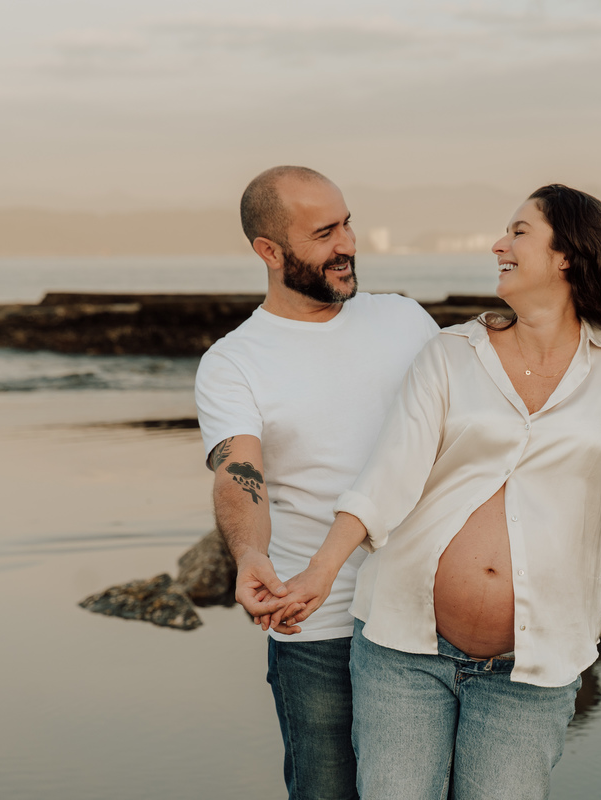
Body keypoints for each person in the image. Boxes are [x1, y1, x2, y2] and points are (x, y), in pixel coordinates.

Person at [270, 184, 601, 799]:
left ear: (567, 256)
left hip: (532, 670)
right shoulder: (451, 354)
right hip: (405, 650)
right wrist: (319, 572)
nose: (498, 244)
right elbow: (389, 476)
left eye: (519, 232)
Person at [194, 165, 442, 799]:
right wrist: (249, 552)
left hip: (428, 612)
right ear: (269, 251)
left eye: (348, 222)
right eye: (325, 232)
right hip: (316, 621)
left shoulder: (406, 321)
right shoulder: (234, 361)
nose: (348, 244)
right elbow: (238, 468)